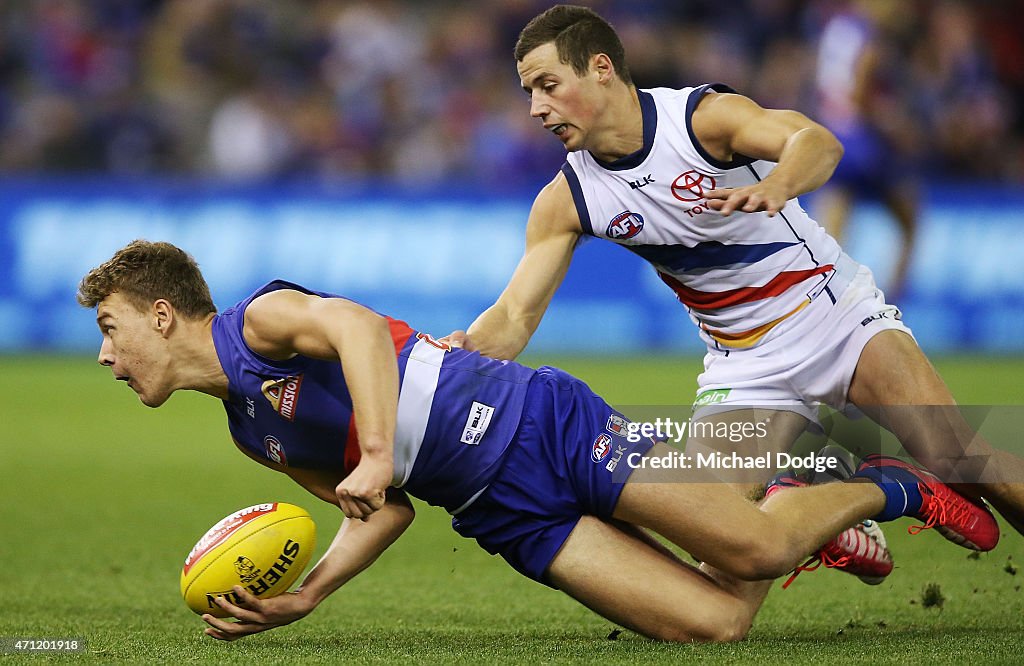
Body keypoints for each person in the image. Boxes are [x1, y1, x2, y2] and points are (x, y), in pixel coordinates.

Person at [78, 240, 996, 643]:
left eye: (113, 328)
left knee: (748, 547)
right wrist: (307, 595)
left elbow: (357, 329)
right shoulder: (251, 434)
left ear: (163, 315)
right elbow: (385, 508)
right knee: (716, 623)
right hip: (499, 512)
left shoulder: (258, 322)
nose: (109, 355)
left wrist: (377, 452)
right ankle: (791, 502)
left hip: (534, 424)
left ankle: (886, 482)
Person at [447, 4, 1024, 535]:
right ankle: (849, 487)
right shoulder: (567, 199)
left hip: (835, 316)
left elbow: (816, 141)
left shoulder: (701, 119)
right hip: (747, 367)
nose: (535, 108)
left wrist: (777, 183)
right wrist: (465, 351)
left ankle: (821, 476)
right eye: (528, 92)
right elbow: (515, 315)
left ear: (600, 68)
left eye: (548, 85)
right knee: (716, 536)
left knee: (959, 456)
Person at [812, 0, 920, 301]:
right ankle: (892, 303)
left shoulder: (836, 27)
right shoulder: (868, 34)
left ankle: (823, 302)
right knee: (910, 217)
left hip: (832, 133)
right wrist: (891, 122)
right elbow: (860, 94)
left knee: (831, 233)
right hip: (862, 139)